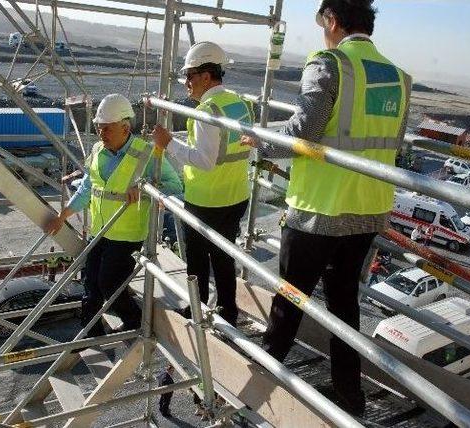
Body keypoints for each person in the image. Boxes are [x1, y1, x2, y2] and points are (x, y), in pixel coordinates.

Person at [242, 0, 411, 415]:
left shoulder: (330, 63)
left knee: (288, 301)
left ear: (332, 21)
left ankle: (257, 387)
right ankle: (350, 396)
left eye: (323, 23)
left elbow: (305, 130)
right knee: (343, 303)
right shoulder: (399, 78)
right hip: (369, 209)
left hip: (319, 210)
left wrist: (260, 139)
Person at [45, 94, 182, 337]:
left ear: (125, 127)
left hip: (127, 235)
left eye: (106, 129)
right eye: (99, 128)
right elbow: (88, 187)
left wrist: (145, 188)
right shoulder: (98, 150)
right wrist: (63, 215)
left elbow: (174, 187)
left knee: (109, 283)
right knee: (90, 280)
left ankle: (134, 321)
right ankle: (90, 330)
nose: (101, 134)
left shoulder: (146, 154)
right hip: (99, 231)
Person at [152, 42, 254, 326]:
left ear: (206, 76)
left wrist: (169, 143)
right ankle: (228, 312)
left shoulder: (207, 111)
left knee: (197, 260)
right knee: (224, 256)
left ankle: (195, 309)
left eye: (190, 76)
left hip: (206, 199)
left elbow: (204, 160)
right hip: (235, 195)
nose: (187, 83)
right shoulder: (238, 103)